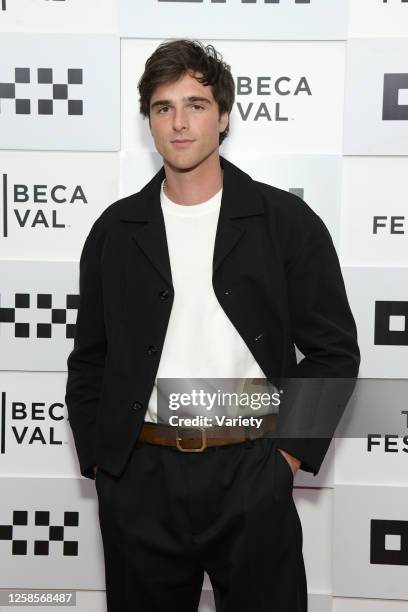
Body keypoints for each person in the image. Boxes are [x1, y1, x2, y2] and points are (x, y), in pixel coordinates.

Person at [65, 39, 360, 612]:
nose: (179, 123)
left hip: (252, 467)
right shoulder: (115, 231)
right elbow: (91, 358)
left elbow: (333, 352)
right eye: (163, 107)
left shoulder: (286, 223)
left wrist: (286, 459)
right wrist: (106, 465)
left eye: (196, 105)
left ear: (223, 116)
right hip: (139, 477)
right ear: (148, 120)